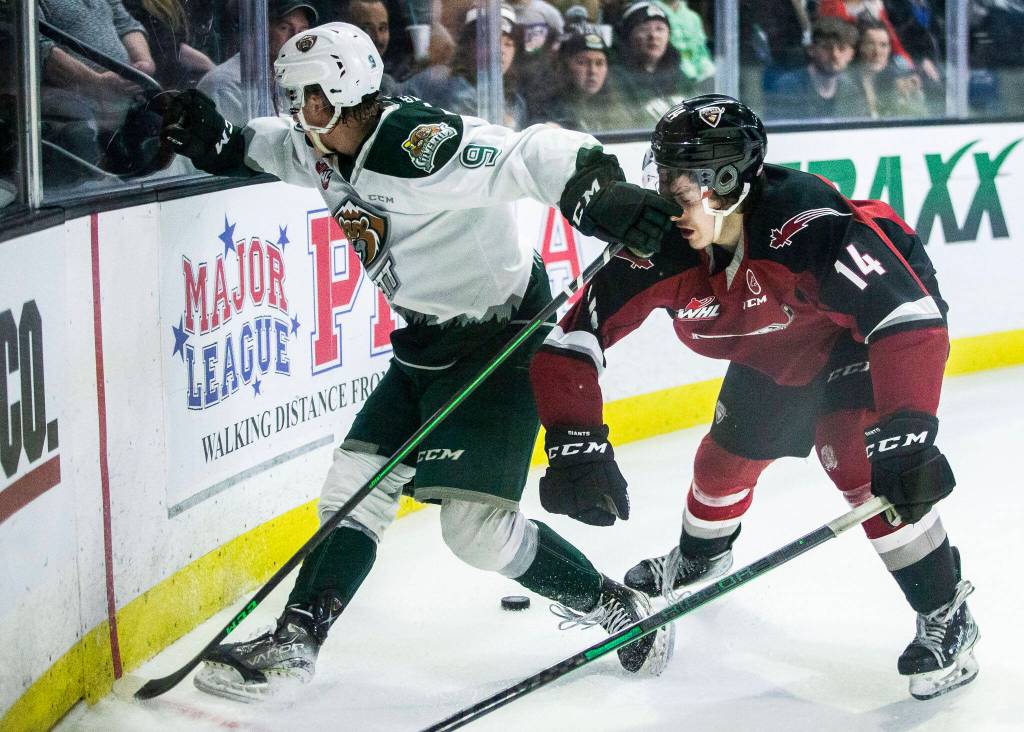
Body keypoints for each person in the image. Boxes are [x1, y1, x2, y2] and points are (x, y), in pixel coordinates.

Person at [160, 21, 679, 700]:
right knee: (355, 486)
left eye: (309, 99)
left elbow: (528, 152)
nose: (298, 113)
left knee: (474, 533)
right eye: (293, 99)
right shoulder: (322, 146)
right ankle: (297, 638)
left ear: (344, 94)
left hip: (503, 334)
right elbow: (272, 149)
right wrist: (217, 139)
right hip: (428, 343)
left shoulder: (417, 147)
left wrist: (594, 188)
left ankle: (618, 609)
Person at [530, 94, 979, 702]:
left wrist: (907, 432)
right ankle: (701, 557)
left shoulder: (807, 227)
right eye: (659, 181)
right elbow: (572, 336)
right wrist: (573, 436)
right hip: (777, 340)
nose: (664, 202)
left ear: (727, 184)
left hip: (856, 334)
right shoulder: (660, 242)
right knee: (722, 461)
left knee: (855, 456)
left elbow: (905, 319)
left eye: (679, 189)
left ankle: (948, 611)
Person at [403, 5, 528, 130]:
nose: (501, 50)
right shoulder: (438, 81)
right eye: (491, 41)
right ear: (468, 44)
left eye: (508, 44)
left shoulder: (515, 103)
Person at [196, 0, 317, 126]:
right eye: (284, 27)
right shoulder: (224, 87)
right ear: (259, 29)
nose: (295, 38)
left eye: (303, 31)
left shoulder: (291, 80)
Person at [530, 29, 634, 132]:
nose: (593, 71)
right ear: (565, 66)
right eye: (582, 62)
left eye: (599, 63)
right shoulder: (548, 110)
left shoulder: (617, 107)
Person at [764, 17, 867, 120]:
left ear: (851, 54)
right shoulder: (787, 87)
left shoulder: (851, 91)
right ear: (811, 50)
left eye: (842, 48)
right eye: (826, 47)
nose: (835, 55)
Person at [612, 2, 690, 127]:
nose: (653, 36)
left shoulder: (680, 77)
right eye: (643, 29)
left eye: (660, 29)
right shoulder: (616, 79)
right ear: (628, 37)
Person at [855, 18, 927, 119]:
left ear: (889, 49)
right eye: (870, 44)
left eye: (883, 45)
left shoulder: (901, 82)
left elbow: (921, 118)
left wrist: (914, 97)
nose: (877, 52)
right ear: (860, 47)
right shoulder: (849, 82)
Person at [336, 0, 399, 94]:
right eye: (367, 29)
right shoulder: (334, 83)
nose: (378, 38)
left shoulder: (387, 85)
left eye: (382, 28)